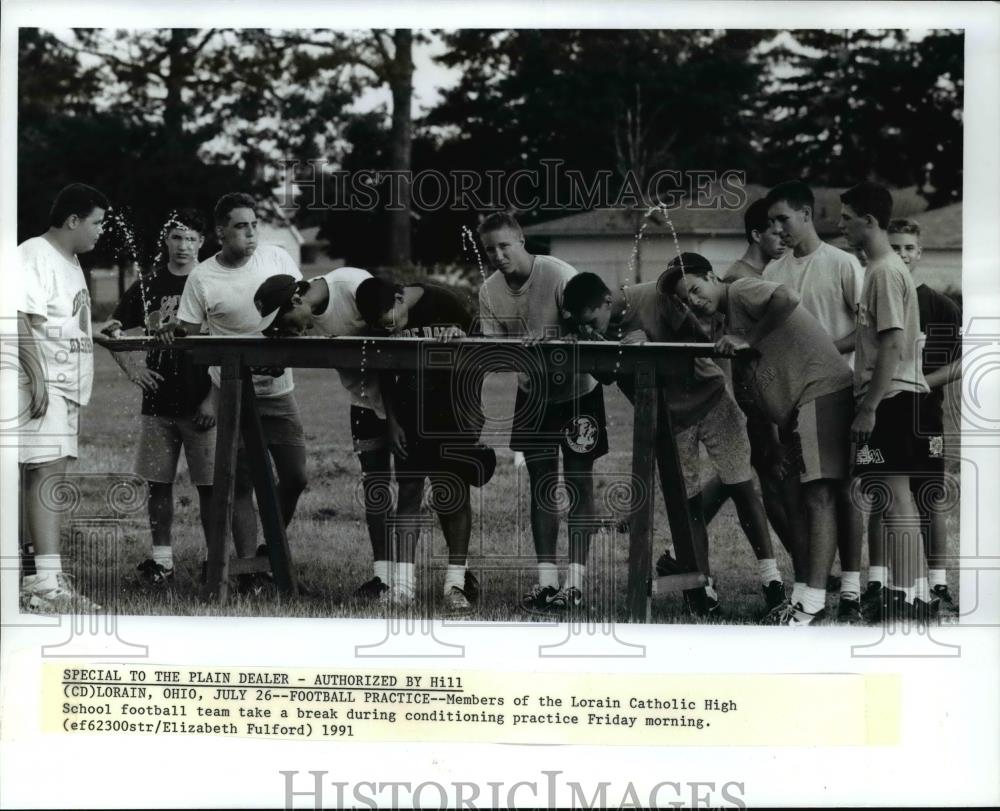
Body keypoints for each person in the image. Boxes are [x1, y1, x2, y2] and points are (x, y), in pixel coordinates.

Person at [560, 262, 787, 615]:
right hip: (669, 422)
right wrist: (597, 348)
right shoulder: (596, 331)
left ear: (607, 301)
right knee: (688, 505)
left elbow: (700, 341)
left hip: (711, 400)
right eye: (582, 326)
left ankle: (771, 579)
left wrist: (653, 347)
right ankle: (700, 587)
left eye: (592, 321)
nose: (590, 330)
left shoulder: (655, 296)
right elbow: (607, 379)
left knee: (742, 486)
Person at [667, 259, 855, 625]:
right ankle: (802, 595)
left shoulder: (739, 290)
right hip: (790, 411)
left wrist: (749, 338)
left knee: (818, 496)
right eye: (685, 300)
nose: (694, 300)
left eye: (695, 289)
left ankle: (813, 604)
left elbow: (787, 296)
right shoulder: (722, 321)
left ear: (712, 276)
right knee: (793, 499)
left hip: (820, 389)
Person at [174, 193, 308, 592]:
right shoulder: (202, 277)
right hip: (232, 392)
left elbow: (302, 309)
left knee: (296, 477)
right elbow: (190, 341)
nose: (251, 233)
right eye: (240, 226)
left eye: (254, 225)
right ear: (220, 232)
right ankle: (250, 574)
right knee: (242, 486)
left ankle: (270, 550)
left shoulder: (277, 260)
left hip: (279, 391)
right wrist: (209, 395)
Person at [478, 212, 607, 613]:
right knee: (541, 486)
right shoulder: (489, 291)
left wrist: (552, 340)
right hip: (532, 395)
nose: (498, 256)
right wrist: (517, 350)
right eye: (490, 250)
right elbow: (493, 353)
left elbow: (590, 327)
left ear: (521, 241)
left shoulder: (558, 274)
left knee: (580, 484)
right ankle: (547, 581)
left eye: (505, 246)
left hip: (577, 392)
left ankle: (576, 582)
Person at [253, 267, 397, 602]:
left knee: (414, 486)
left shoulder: (351, 285)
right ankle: (383, 578)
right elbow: (293, 348)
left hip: (403, 397)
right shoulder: (305, 312)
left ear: (296, 298)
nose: (286, 331)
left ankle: (445, 577)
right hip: (362, 400)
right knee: (375, 486)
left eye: (284, 322)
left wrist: (395, 414)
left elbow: (393, 337)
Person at [355, 276, 490, 614]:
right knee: (410, 493)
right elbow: (385, 368)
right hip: (409, 413)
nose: (387, 328)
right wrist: (393, 422)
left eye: (389, 321)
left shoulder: (446, 302)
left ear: (399, 299)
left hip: (453, 411)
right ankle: (402, 587)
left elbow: (481, 353)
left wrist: (473, 407)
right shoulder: (381, 320)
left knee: (454, 492)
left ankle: (455, 583)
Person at [764, 179, 867, 619]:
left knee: (842, 492)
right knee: (807, 494)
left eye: (783, 219)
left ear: (806, 214)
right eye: (771, 222)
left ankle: (851, 587)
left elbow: (870, 327)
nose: (778, 228)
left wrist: (825, 351)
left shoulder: (843, 264)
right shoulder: (773, 273)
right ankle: (813, 587)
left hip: (840, 389)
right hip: (795, 400)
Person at [103, 209, 216, 586]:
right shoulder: (148, 285)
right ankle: (161, 562)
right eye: (176, 237)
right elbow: (111, 331)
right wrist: (133, 369)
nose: (183, 246)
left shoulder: (211, 282)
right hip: (158, 404)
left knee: (211, 488)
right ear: (166, 241)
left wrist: (213, 399)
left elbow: (232, 343)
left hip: (203, 403)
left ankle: (215, 561)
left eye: (191, 239)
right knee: (158, 484)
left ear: (202, 242)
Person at [839, 182, 936, 623]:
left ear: (869, 221)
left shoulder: (881, 271)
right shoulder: (884, 268)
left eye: (846, 218)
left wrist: (868, 407)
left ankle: (907, 598)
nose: (841, 225)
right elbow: (868, 337)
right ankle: (913, 594)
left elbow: (893, 344)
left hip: (892, 396)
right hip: (899, 395)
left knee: (895, 498)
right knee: (898, 499)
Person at [689, 201, 802, 577]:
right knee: (766, 480)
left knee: (739, 477)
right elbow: (735, 352)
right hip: (751, 397)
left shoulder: (758, 273)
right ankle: (807, 567)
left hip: (765, 393)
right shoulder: (739, 280)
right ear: (755, 235)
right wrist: (760, 414)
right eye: (774, 232)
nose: (783, 238)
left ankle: (679, 544)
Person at [18, 183, 108, 612]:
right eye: (97, 223)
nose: (101, 232)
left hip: (68, 386)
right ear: (73, 220)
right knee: (45, 476)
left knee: (52, 476)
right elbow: (17, 317)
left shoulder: (71, 261)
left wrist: (95, 331)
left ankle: (36, 575)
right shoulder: (34, 254)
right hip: (45, 384)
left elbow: (65, 321)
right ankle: (44, 585)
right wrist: (35, 379)